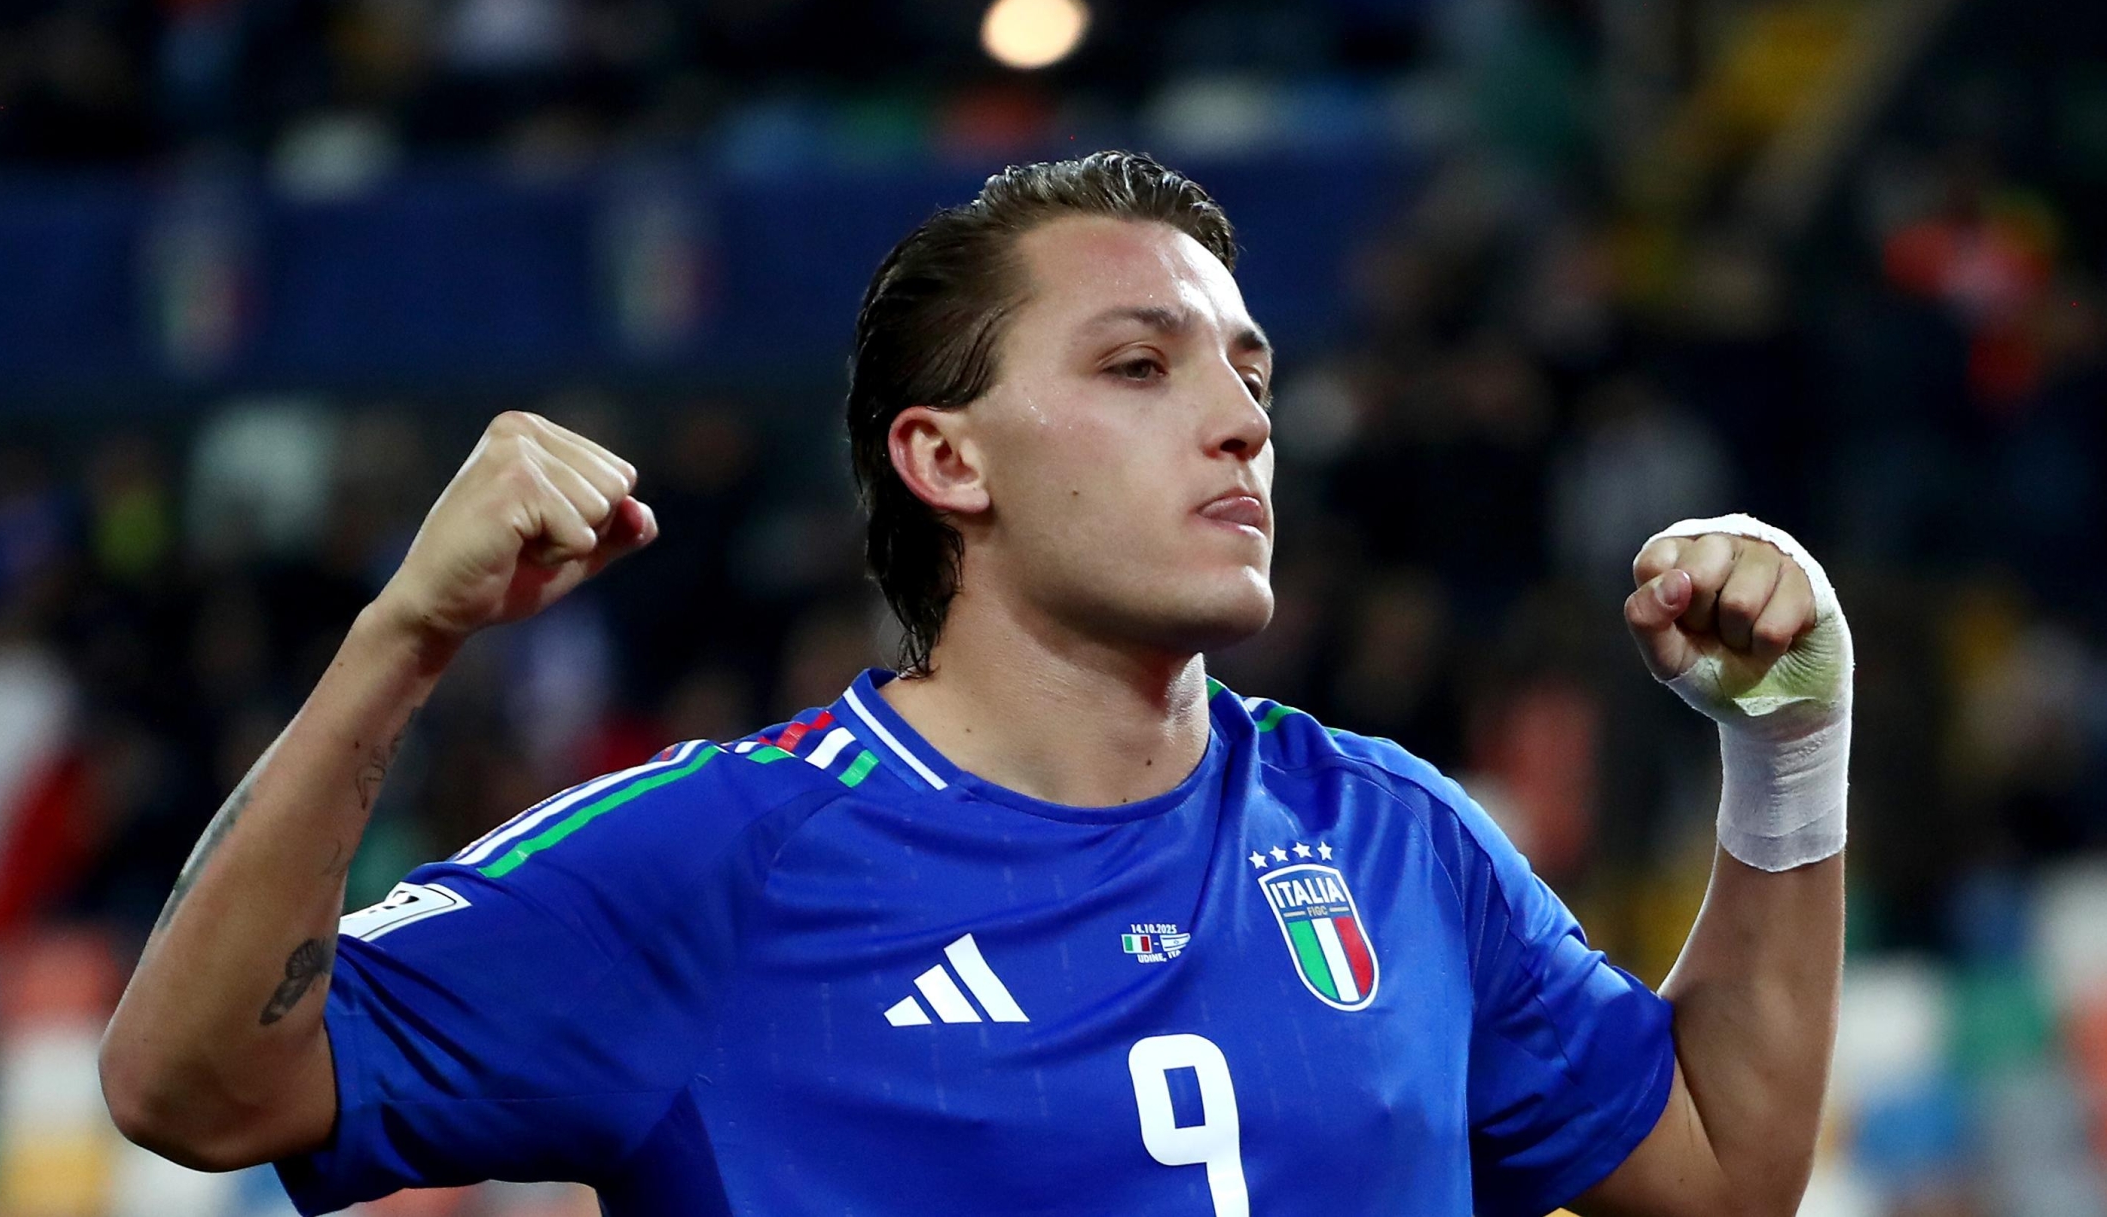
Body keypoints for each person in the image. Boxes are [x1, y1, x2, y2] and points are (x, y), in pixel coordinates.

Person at [100, 152, 1850, 1217]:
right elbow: (193, 1087)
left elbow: (1714, 1169)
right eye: (1140, 365)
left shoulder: (1389, 831)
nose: (1244, 418)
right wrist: (403, 636)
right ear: (947, 459)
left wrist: (1788, 751)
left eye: (1248, 367)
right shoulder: (722, 858)